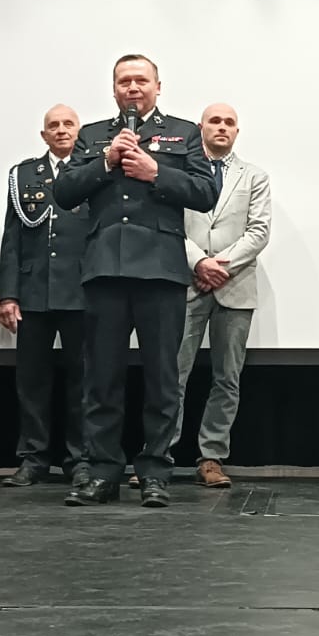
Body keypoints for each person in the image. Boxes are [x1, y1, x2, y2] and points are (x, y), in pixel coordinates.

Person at [53, 54, 219, 507]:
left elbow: (206, 193)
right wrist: (106, 162)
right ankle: (102, 472)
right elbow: (64, 192)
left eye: (141, 80)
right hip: (104, 270)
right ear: (114, 89)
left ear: (157, 86)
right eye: (124, 81)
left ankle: (155, 473)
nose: (132, 87)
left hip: (161, 272)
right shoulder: (92, 136)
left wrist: (157, 172)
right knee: (101, 380)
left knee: (162, 380)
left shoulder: (184, 133)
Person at [173, 102, 272, 488]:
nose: (222, 127)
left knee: (227, 377)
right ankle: (159, 456)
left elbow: (259, 231)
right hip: (187, 282)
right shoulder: (181, 173)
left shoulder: (255, 176)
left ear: (237, 131)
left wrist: (218, 267)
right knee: (172, 374)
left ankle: (211, 457)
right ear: (201, 127)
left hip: (235, 284)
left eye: (229, 122)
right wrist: (199, 263)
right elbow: (170, 225)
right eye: (215, 121)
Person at [0, 105, 90, 489]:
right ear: (44, 135)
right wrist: (8, 295)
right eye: (54, 125)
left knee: (82, 382)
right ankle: (33, 458)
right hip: (33, 293)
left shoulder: (92, 172)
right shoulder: (24, 175)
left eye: (68, 124)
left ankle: (80, 459)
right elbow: (12, 239)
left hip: (81, 292)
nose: (61, 130)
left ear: (79, 131)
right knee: (32, 382)